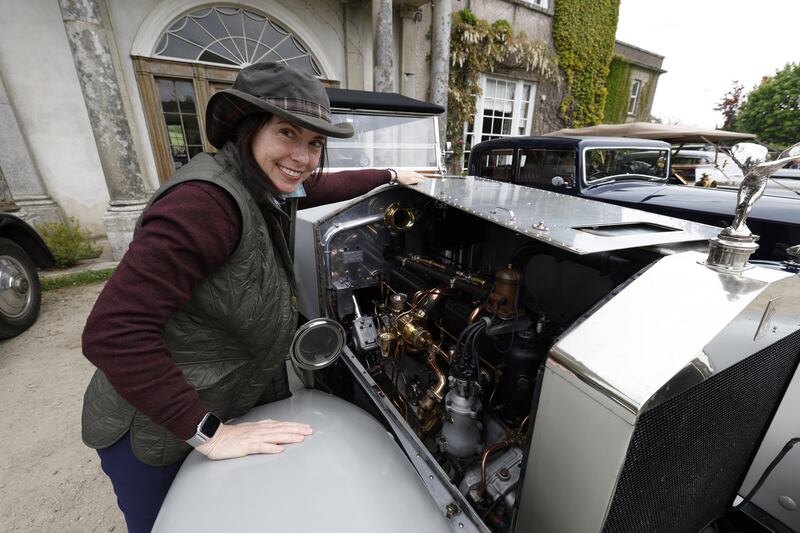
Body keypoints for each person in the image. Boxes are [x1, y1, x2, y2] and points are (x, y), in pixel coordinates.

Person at [80, 62, 422, 533]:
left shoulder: (258, 180)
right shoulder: (204, 204)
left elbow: (316, 184)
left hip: (218, 399)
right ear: (247, 128)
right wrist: (210, 434)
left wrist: (391, 174)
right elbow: (112, 332)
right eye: (287, 133)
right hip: (154, 431)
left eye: (315, 143)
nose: (302, 157)